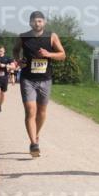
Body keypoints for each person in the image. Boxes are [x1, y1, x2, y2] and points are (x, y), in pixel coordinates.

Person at [14, 11, 66, 158]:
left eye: (39, 21)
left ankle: (36, 135)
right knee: (30, 110)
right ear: (30, 23)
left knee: (42, 111)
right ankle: (33, 144)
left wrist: (49, 54)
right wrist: (18, 60)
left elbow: (62, 55)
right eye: (34, 21)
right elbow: (15, 50)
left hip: (45, 79)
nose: (37, 24)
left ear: (44, 22)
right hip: (27, 79)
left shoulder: (52, 36)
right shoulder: (23, 37)